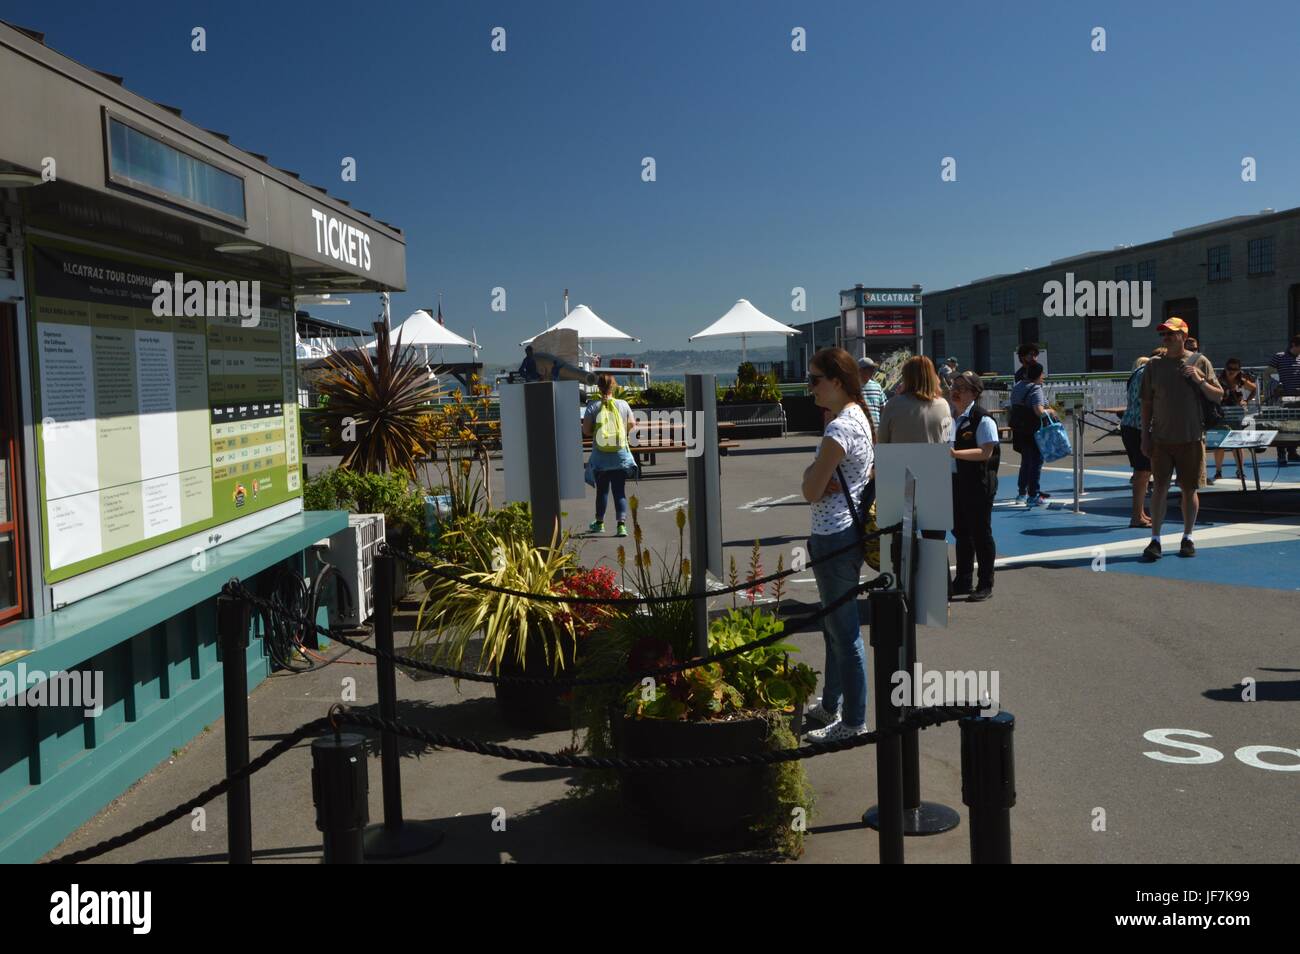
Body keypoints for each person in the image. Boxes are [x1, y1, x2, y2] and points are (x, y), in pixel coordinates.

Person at [799, 348, 875, 742]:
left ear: (837, 381)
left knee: (843, 632)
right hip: (847, 532)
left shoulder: (838, 430)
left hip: (833, 536)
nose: (809, 385)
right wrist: (816, 474)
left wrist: (812, 473)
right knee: (834, 626)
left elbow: (810, 490)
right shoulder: (858, 417)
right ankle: (832, 703)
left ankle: (853, 720)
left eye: (814, 379)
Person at [1139, 317, 1222, 560]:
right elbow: (1146, 403)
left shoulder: (1200, 362)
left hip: (1192, 438)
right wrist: (1145, 435)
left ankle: (1188, 537)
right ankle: (1155, 539)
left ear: (1183, 336)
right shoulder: (1154, 365)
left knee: (1189, 489)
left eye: (1171, 334)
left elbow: (1218, 396)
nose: (1165, 338)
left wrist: (1199, 378)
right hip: (1161, 439)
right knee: (1159, 489)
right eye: (1163, 334)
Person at [948, 371, 1000, 601]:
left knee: (980, 533)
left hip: (978, 483)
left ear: (974, 393)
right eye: (954, 385)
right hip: (957, 482)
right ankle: (963, 580)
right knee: (961, 532)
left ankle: (985, 583)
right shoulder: (952, 417)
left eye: (961, 387)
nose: (955, 390)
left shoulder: (983, 419)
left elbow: (985, 452)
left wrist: (955, 453)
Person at [582, 373, 637, 536]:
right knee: (619, 491)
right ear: (613, 386)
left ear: (598, 387)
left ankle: (599, 523)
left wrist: (599, 433)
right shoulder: (623, 404)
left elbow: (585, 430)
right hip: (620, 454)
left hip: (600, 456)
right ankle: (621, 525)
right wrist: (621, 434)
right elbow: (632, 425)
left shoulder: (593, 406)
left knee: (602, 491)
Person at [1008, 360, 1055, 506]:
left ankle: (1022, 493)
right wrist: (1051, 411)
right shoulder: (1036, 389)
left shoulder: (1018, 386)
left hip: (1020, 429)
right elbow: (1039, 411)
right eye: (1042, 374)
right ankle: (1033, 495)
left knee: (1026, 461)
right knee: (1036, 462)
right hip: (1033, 430)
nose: (1043, 377)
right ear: (1037, 375)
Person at [878, 355, 953, 444]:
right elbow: (948, 440)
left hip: (900, 457)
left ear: (906, 377)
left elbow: (882, 440)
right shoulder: (943, 405)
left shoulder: (893, 404)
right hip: (934, 457)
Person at [1121, 356, 1154, 527]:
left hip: (1131, 425)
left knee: (1143, 473)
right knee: (1142, 473)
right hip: (1139, 427)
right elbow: (1146, 403)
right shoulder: (1147, 374)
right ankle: (1136, 515)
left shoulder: (1137, 373)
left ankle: (1139, 512)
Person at [1212, 359, 1257, 482]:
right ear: (1225, 368)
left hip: (1236, 415)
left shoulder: (1241, 381)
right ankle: (1218, 471)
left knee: (1237, 444)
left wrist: (1246, 401)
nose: (1232, 371)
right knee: (1219, 444)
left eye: (1235, 369)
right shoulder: (1218, 380)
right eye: (1229, 368)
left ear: (1239, 370)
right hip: (1220, 415)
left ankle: (1240, 471)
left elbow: (1254, 388)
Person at [1267, 335, 1300, 465]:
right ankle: (1281, 454)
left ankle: (1292, 452)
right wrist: (1275, 385)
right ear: (1294, 345)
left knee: (1296, 426)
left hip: (1298, 399)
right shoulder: (1279, 357)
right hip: (1282, 399)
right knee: (1281, 426)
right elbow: (1267, 374)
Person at [858, 356, 887, 428]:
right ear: (860, 370)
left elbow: (883, 408)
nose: (873, 371)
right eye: (870, 369)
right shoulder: (852, 387)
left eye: (873, 368)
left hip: (876, 429)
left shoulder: (877, 386)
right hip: (859, 429)